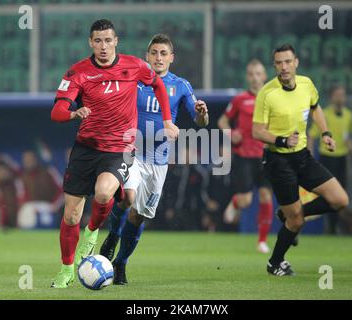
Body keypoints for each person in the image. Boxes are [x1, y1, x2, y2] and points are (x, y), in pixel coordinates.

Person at [50, 20, 178, 288]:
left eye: (108, 40)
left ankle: (92, 232)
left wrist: (167, 120)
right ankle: (65, 270)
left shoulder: (134, 66)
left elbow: (158, 86)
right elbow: (57, 111)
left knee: (105, 193)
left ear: (116, 41)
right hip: (86, 148)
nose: (103, 46)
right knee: (71, 215)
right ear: (90, 43)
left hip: (118, 148)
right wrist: (74, 112)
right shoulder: (79, 72)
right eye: (98, 41)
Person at [99, 34, 208, 285]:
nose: (158, 58)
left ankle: (121, 263)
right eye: (154, 53)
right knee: (127, 197)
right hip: (131, 152)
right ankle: (112, 237)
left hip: (159, 161)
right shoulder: (134, 78)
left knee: (140, 216)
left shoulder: (181, 86)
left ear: (171, 58)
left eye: (163, 53)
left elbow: (200, 121)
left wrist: (203, 114)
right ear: (147, 56)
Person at [252, 44, 349, 276]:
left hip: (303, 157)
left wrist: (325, 133)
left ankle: (290, 213)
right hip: (278, 161)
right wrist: (283, 141)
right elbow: (257, 132)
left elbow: (315, 109)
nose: (283, 67)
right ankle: (275, 263)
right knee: (296, 223)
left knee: (340, 200)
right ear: (274, 65)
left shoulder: (306, 84)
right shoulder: (267, 93)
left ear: (296, 62)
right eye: (278, 63)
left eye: (287, 62)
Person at [217, 59, 273, 253]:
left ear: (265, 76)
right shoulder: (240, 100)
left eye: (258, 73)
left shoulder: (273, 98)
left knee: (266, 196)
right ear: (247, 76)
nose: (255, 77)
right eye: (251, 74)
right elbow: (222, 121)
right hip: (244, 156)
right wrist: (231, 134)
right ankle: (235, 202)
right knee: (246, 201)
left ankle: (262, 241)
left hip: (266, 156)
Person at [308, 85, 352, 234]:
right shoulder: (323, 114)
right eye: (337, 95)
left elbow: (347, 137)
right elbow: (312, 135)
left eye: (342, 95)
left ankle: (337, 226)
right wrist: (310, 153)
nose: (340, 98)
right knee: (328, 194)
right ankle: (331, 227)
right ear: (332, 97)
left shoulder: (348, 115)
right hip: (327, 158)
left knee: (341, 195)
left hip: (342, 158)